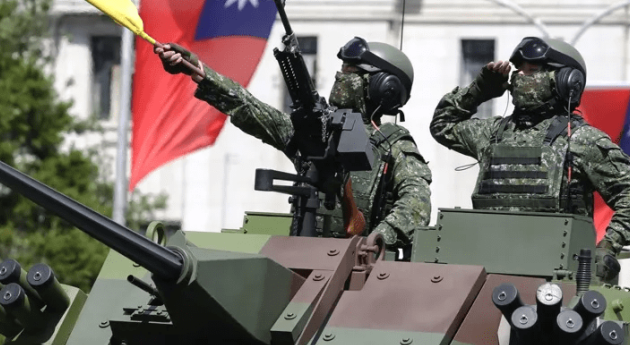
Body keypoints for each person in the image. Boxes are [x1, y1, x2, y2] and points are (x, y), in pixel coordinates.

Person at [154, 36, 432, 251]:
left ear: (383, 86)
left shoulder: (394, 144)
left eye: (351, 71)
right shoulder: (318, 130)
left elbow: (416, 204)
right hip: (299, 255)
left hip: (358, 269)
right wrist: (198, 71)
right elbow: (249, 108)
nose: (340, 76)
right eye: (342, 68)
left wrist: (377, 239)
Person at [430, 36, 630, 282]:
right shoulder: (491, 133)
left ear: (566, 81)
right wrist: (480, 90)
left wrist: (609, 245)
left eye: (532, 70)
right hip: (484, 270)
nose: (520, 77)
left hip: (555, 279)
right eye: (519, 70)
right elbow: (442, 125)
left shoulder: (581, 139)